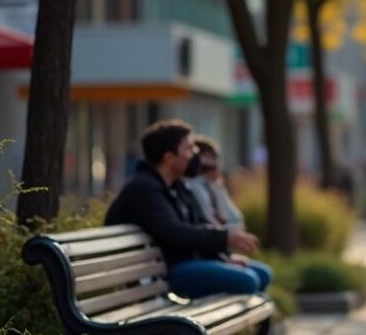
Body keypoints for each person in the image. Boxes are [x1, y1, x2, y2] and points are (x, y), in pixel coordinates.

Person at [105, 120, 270, 298]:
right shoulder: (143, 189)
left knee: (262, 274)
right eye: (189, 148)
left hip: (182, 262)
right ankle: (207, 324)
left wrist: (224, 258)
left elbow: (198, 224)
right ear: (169, 158)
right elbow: (176, 233)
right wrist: (225, 237)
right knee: (247, 280)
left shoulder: (177, 186)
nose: (195, 153)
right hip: (166, 272)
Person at [185, 134, 245, 229]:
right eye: (212, 158)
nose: (219, 165)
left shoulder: (214, 186)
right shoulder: (192, 185)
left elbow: (236, 219)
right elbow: (208, 222)